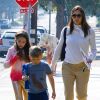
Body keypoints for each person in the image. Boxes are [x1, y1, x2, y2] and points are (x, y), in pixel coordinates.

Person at [51, 5, 96, 100]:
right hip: (67, 67)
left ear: (83, 16)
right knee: (68, 95)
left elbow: (93, 50)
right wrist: (52, 66)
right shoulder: (66, 30)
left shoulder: (90, 31)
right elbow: (58, 49)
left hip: (83, 67)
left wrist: (90, 58)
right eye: (74, 15)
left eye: (78, 15)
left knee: (82, 95)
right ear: (71, 16)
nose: (76, 18)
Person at [4, 30, 31, 100]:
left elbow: (34, 62)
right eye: (19, 41)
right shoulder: (11, 50)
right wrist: (14, 58)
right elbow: (5, 65)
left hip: (26, 78)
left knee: (28, 97)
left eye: (23, 42)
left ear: (26, 42)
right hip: (15, 77)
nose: (21, 44)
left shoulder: (29, 50)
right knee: (18, 97)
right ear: (15, 40)